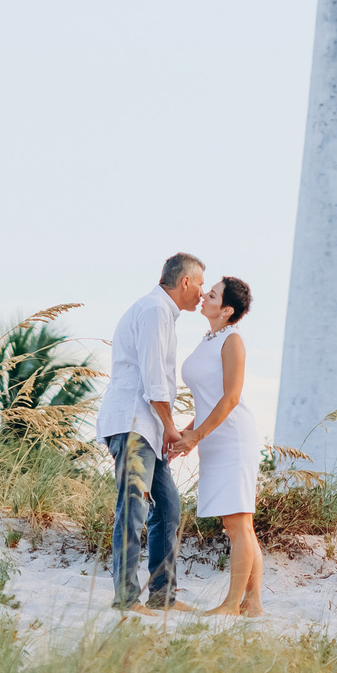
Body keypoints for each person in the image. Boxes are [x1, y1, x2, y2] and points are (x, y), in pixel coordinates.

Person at [93, 252, 202, 610]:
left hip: (148, 430)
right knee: (134, 510)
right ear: (185, 282)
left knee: (168, 507)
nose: (202, 292)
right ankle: (125, 597)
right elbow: (154, 379)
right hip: (134, 426)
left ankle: (161, 596)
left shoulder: (162, 314)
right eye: (200, 283)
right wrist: (171, 427)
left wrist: (163, 431)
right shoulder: (155, 311)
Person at [170, 274, 262, 616]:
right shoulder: (210, 338)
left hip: (233, 438)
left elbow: (231, 397)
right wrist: (187, 433)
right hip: (214, 436)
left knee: (238, 524)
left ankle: (231, 604)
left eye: (212, 295)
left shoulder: (232, 340)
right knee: (239, 523)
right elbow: (207, 401)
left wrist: (197, 435)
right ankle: (253, 604)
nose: (204, 296)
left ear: (226, 310)